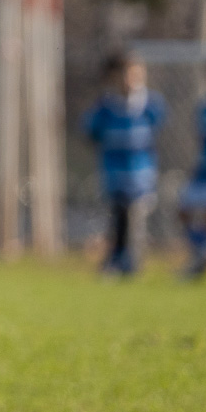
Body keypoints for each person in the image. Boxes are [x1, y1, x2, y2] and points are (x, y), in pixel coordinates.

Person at [83, 52, 165, 277]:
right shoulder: (107, 107)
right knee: (117, 218)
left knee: (136, 219)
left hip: (140, 174)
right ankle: (115, 259)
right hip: (114, 174)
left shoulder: (148, 104)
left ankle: (132, 262)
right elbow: (92, 131)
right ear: (115, 77)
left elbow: (158, 125)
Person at [180, 60, 206, 277]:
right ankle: (202, 252)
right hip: (204, 172)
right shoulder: (205, 108)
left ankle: (205, 254)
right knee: (184, 209)